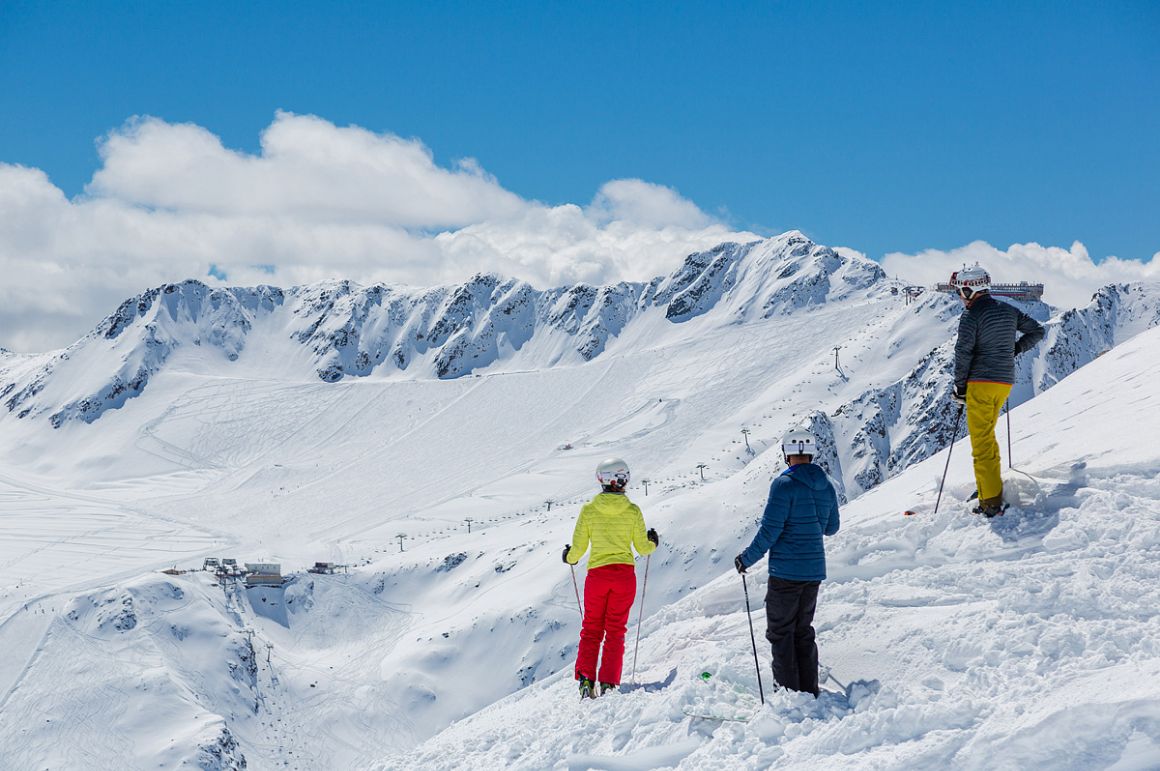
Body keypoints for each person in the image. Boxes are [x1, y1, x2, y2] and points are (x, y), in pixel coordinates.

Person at [735, 428, 839, 697]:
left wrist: (746, 559)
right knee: (802, 631)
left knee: (781, 634)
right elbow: (831, 528)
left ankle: (787, 695)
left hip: (785, 573)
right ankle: (808, 690)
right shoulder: (826, 485)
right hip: (813, 571)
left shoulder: (783, 486)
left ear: (786, 454)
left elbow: (770, 531)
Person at [949, 264, 1045, 517]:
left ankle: (990, 501)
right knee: (988, 437)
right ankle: (987, 486)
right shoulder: (1009, 311)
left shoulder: (971, 316)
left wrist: (960, 387)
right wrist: (1014, 349)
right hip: (1004, 383)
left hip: (979, 383)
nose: (960, 296)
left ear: (970, 290)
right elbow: (1037, 331)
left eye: (961, 291)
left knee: (982, 444)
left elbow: (963, 352)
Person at [562, 457, 658, 699]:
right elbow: (643, 548)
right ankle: (608, 683)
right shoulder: (633, 511)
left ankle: (586, 679)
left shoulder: (589, 511)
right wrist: (652, 542)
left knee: (592, 628)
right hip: (624, 576)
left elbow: (578, 549)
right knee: (615, 630)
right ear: (624, 480)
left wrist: (569, 557)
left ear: (601, 481)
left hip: (597, 576)